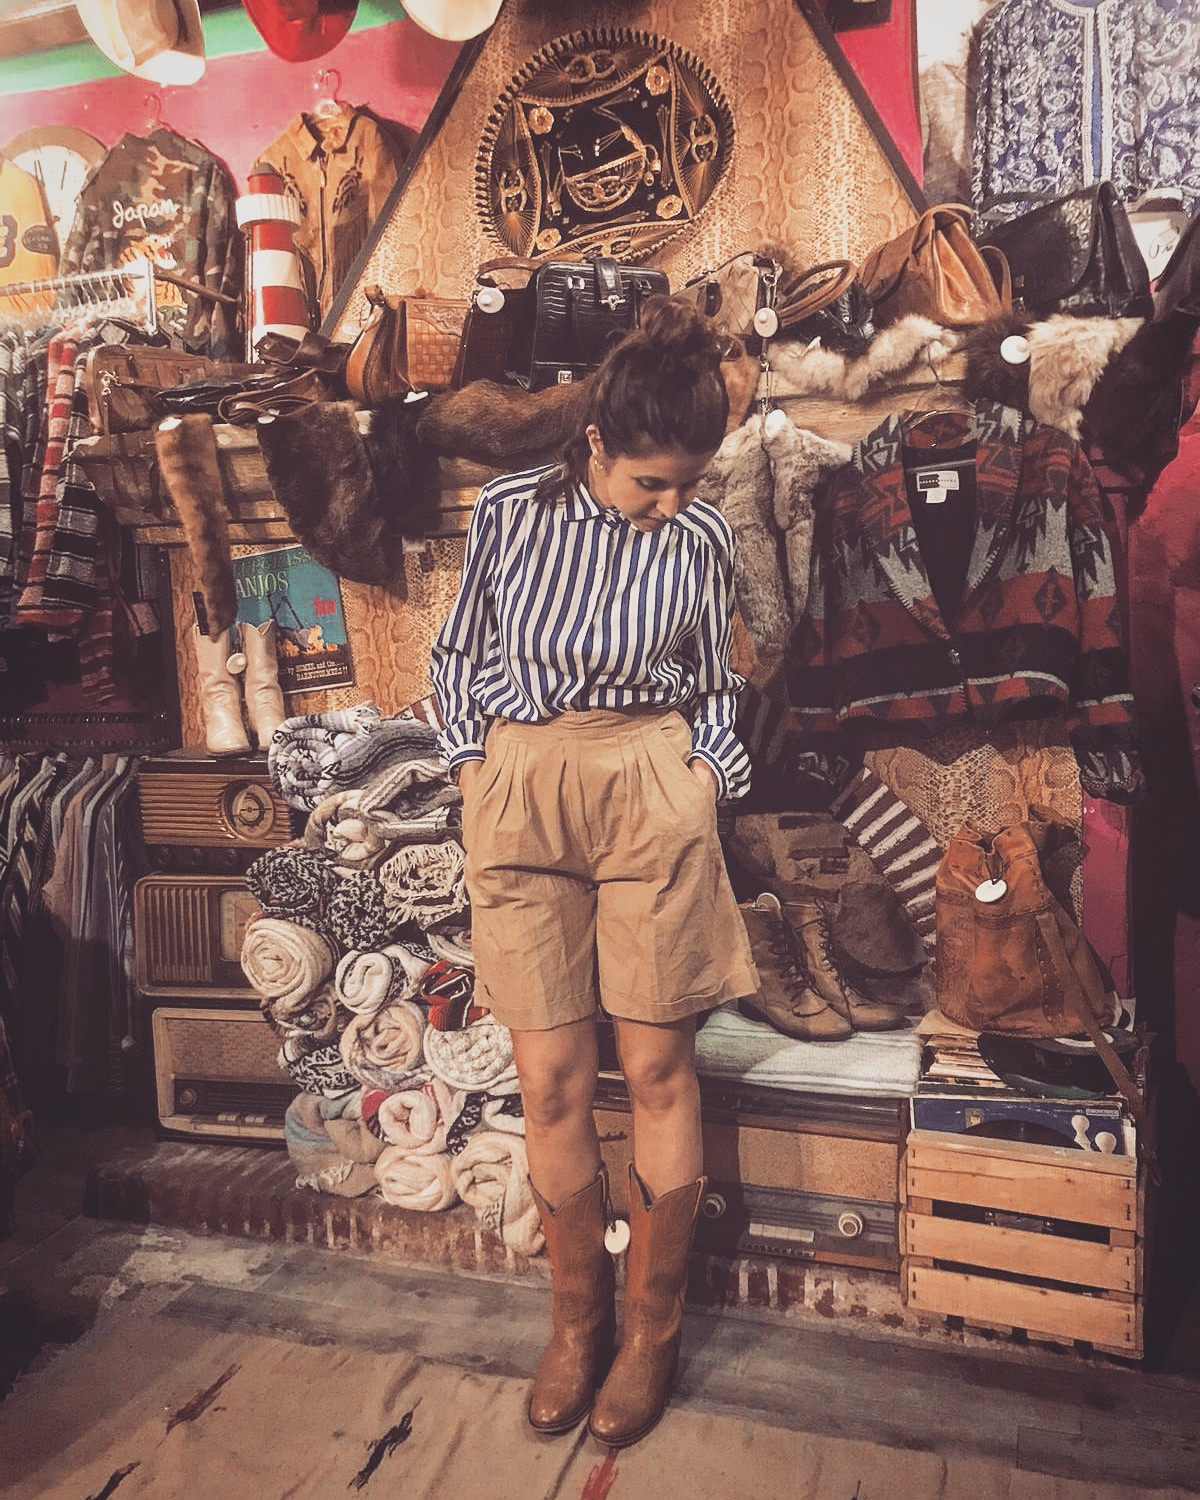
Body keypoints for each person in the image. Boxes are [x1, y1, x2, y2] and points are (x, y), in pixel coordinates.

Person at [429, 297, 758, 1448]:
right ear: (596, 443)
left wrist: (706, 774)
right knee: (553, 1080)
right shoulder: (510, 512)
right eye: (650, 482)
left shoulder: (702, 539)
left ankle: (651, 1334)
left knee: (658, 1066)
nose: (670, 504)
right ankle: (577, 1323)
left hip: (649, 785)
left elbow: (717, 684)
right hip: (523, 784)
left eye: (689, 483)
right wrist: (473, 763)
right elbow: (459, 654)